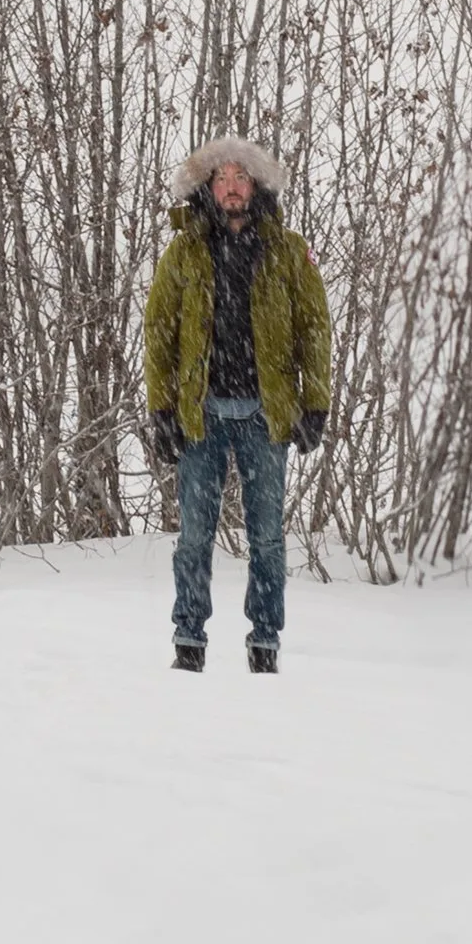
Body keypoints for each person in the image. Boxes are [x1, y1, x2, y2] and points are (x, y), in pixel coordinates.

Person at [142, 134, 331, 674]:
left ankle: (265, 643)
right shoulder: (184, 251)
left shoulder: (288, 251)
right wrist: (161, 408)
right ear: (208, 187)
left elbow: (315, 328)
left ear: (256, 186)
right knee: (195, 537)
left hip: (264, 416)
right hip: (199, 416)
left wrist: (314, 403)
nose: (230, 187)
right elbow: (159, 331)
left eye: (240, 177)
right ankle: (188, 640)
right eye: (221, 178)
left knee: (267, 539)